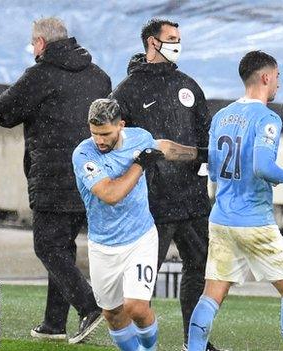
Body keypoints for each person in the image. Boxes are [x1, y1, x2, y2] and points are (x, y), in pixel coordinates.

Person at [0, 17, 110, 343]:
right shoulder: (98, 77)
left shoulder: (39, 74)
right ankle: (53, 324)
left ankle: (89, 306)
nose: (33, 49)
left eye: (34, 44)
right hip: (90, 176)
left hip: (52, 175)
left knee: (46, 245)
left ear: (41, 44)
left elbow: (5, 112)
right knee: (63, 247)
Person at [110, 18, 220, 351]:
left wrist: (203, 165)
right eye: (171, 38)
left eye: (179, 38)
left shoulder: (189, 85)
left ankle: (195, 342)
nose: (177, 43)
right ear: (151, 42)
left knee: (200, 269)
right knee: (140, 283)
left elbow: (205, 139)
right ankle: (131, 342)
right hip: (151, 205)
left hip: (192, 202)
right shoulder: (126, 91)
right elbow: (115, 146)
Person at [187, 51, 283, 351]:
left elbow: (213, 171)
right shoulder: (267, 118)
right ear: (266, 77)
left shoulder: (221, 116)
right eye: (278, 76)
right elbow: (262, 167)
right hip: (254, 221)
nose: (278, 83)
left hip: (221, 219)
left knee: (212, 294)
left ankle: (194, 348)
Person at [72, 98, 204, 351]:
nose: (99, 140)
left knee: (136, 307)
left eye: (105, 134)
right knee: (113, 315)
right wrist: (139, 165)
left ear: (121, 125)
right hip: (103, 245)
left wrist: (204, 155)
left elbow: (163, 148)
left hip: (140, 238)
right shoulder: (83, 154)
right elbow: (110, 195)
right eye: (94, 133)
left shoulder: (139, 137)